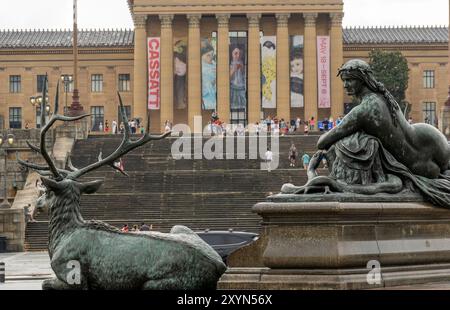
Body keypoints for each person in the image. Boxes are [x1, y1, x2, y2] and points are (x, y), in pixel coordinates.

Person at [201, 39, 217, 110]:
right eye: (208, 55)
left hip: (214, 97)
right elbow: (204, 88)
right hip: (206, 100)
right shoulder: (201, 68)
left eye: (212, 54)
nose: (211, 57)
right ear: (201, 56)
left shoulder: (214, 64)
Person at [174, 40, 187, 109]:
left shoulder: (181, 54)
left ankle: (181, 102)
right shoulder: (177, 54)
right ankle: (181, 102)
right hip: (179, 76)